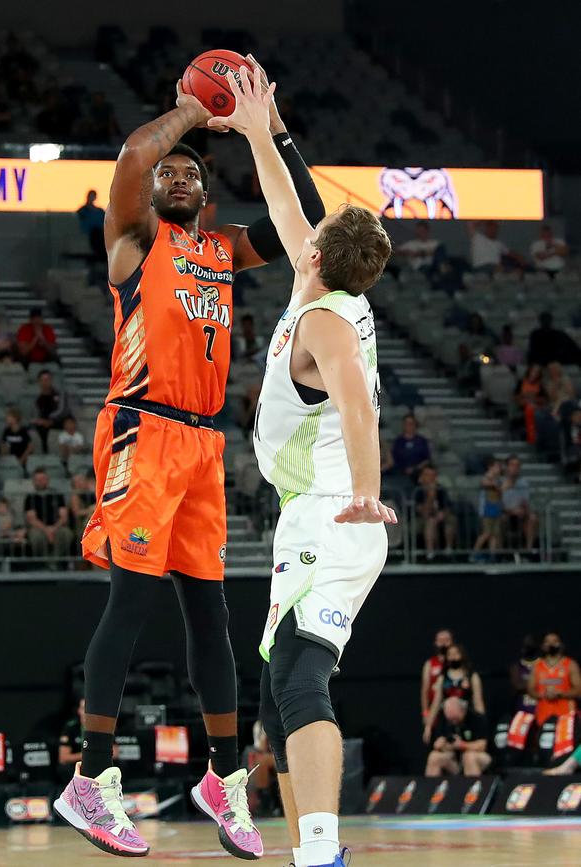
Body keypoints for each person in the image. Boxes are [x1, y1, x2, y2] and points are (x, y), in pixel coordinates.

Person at [55, 54, 326, 860]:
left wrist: (270, 129)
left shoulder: (219, 250)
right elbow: (134, 159)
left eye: (190, 174)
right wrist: (188, 111)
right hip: (142, 427)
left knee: (211, 614)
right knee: (132, 601)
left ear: (206, 194)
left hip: (204, 443)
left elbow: (303, 220)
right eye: (170, 172)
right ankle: (89, 778)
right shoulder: (134, 240)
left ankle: (221, 777)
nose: (175, 176)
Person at [217, 66, 396, 867]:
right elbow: (291, 204)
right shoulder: (320, 290)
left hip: (335, 509)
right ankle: (308, 844)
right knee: (274, 695)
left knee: (298, 675)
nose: (300, 232)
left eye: (310, 236)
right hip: (310, 510)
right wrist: (262, 128)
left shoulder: (325, 320)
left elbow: (357, 406)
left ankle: (320, 850)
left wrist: (366, 492)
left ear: (319, 255)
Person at [424, 644, 485, 744]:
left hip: (467, 721)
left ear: (462, 655)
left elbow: (478, 701)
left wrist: (482, 724)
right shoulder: (443, 678)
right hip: (447, 723)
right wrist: (428, 725)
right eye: (450, 654)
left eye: (456, 653)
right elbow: (436, 703)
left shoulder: (471, 676)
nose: (453, 657)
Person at [425, 697, 491, 777]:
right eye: (450, 720)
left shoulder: (477, 718)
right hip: (456, 762)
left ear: (463, 710)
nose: (453, 722)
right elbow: (440, 742)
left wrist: (462, 745)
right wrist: (441, 745)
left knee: (469, 757)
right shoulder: (445, 720)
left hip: (479, 758)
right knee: (434, 757)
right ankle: (432, 788)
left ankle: (472, 788)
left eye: (455, 719)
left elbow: (482, 746)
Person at [528, 633, 581, 727]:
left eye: (554, 641)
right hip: (543, 717)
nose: (551, 644)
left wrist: (560, 694)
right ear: (543, 645)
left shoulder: (570, 664)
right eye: (547, 641)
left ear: (560, 644)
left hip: (566, 716)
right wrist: (542, 694)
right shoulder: (537, 666)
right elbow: (530, 689)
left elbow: (579, 689)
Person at [24, 468, 73, 563]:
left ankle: (53, 560)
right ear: (34, 482)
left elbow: (64, 516)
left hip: (57, 526)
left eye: (43, 479)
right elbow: (32, 519)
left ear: (47, 480)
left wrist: (53, 529)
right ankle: (43, 561)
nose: (40, 482)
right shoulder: (30, 498)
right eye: (38, 480)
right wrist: (47, 530)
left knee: (66, 534)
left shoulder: (57, 495)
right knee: (36, 537)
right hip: (38, 528)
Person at [414, 465, 457, 560]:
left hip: (438, 516)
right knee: (430, 522)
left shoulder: (441, 489)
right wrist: (431, 496)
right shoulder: (418, 491)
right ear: (422, 477)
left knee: (450, 520)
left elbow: (447, 507)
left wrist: (442, 514)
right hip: (422, 519)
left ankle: (448, 549)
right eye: (427, 475)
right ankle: (430, 552)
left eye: (432, 475)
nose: (430, 478)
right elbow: (423, 512)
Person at [501, 455, 538, 552]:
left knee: (532, 518)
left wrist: (524, 510)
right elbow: (498, 503)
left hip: (520, 514)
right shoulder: (500, 482)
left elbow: (525, 502)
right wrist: (511, 511)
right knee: (501, 519)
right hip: (505, 513)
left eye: (517, 465)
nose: (515, 468)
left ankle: (528, 550)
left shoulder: (523, 483)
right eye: (512, 465)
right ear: (507, 467)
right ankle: (501, 551)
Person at [471, 456, 503, 560]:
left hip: (496, 508)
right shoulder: (486, 478)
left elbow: (500, 491)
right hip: (486, 509)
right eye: (497, 466)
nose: (499, 469)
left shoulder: (498, 480)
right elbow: (485, 483)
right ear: (490, 467)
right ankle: (474, 554)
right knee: (486, 533)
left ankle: (492, 555)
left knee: (494, 534)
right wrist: (495, 485)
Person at [421, 629, 455, 722]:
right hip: (435, 713)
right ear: (436, 643)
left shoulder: (457, 663)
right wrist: (425, 713)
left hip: (454, 711)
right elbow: (425, 690)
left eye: (446, 640)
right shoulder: (430, 664)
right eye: (440, 640)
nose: (443, 643)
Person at [34, 370, 68, 452]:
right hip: (40, 424)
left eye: (48, 379)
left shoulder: (58, 395)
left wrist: (50, 421)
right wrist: (40, 421)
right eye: (43, 380)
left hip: (57, 423)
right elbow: (34, 414)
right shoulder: (37, 397)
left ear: (51, 380)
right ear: (39, 382)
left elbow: (62, 411)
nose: (46, 382)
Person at [391, 414, 432, 483]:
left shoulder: (422, 441)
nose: (408, 426)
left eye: (411, 424)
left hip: (418, 472)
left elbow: (427, 459)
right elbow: (394, 459)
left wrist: (415, 468)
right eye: (406, 423)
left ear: (415, 425)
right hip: (400, 473)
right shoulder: (398, 441)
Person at [509, 634, 539, 715]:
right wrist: (537, 683)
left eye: (531, 644)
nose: (528, 646)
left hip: (541, 709)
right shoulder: (516, 667)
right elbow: (517, 686)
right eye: (526, 645)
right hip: (522, 711)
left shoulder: (542, 665)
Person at [77, 190, 106, 261]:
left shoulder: (100, 211)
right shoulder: (83, 210)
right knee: (96, 233)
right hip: (91, 233)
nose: (91, 198)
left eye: (93, 196)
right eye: (90, 196)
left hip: (101, 233)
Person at [70, 471, 97, 540]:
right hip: (81, 523)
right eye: (78, 481)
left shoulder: (90, 493)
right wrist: (89, 510)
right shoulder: (75, 496)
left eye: (82, 480)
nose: (81, 483)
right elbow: (77, 513)